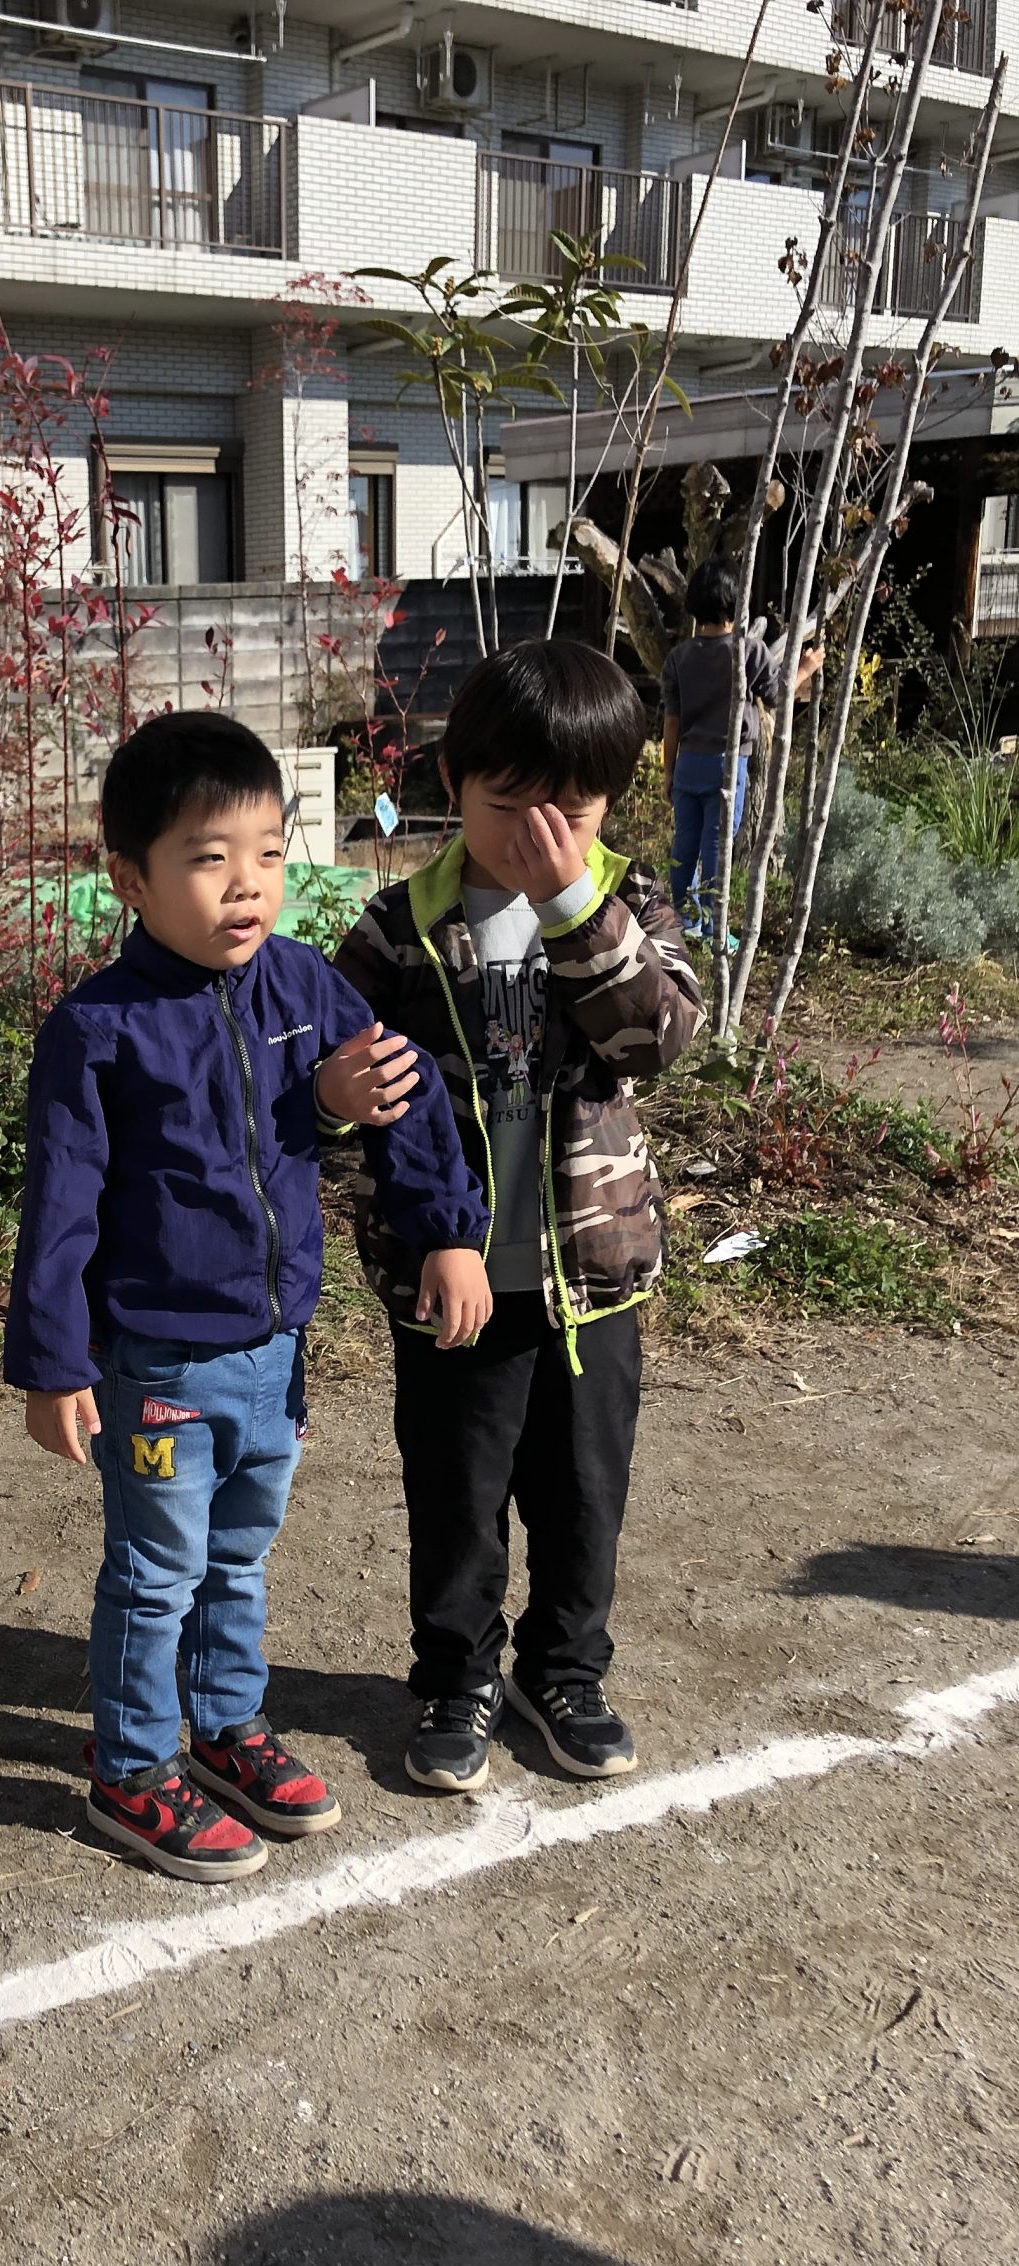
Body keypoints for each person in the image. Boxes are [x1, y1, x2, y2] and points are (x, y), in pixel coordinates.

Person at [5, 711, 489, 1881]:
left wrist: (446, 1231)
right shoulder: (98, 1029)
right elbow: (60, 1209)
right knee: (155, 1571)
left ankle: (225, 1726)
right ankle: (132, 1768)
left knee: (238, 1554)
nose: (247, 885)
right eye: (209, 857)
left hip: (275, 1352)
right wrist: (53, 1363)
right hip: (159, 1362)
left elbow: (401, 1089)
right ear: (131, 878)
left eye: (269, 853)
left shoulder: (305, 984)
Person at [335, 638, 702, 1797]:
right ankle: (456, 1677)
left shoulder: (629, 901)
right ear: (453, 783)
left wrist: (574, 906)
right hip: (451, 1283)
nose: (539, 837)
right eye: (508, 808)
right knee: (457, 1495)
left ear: (610, 803)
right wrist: (331, 1097)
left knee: (583, 1495)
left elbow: (657, 1039)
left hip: (592, 1275)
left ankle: (564, 1672)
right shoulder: (400, 926)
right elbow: (336, 1096)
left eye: (571, 814)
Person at [660, 555, 824, 944]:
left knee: (685, 843)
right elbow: (777, 696)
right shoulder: (749, 651)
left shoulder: (679, 657)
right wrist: (806, 667)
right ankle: (715, 930)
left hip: (687, 764)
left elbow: (671, 721)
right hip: (727, 764)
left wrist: (669, 771)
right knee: (717, 847)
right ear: (738, 603)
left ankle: (685, 919)